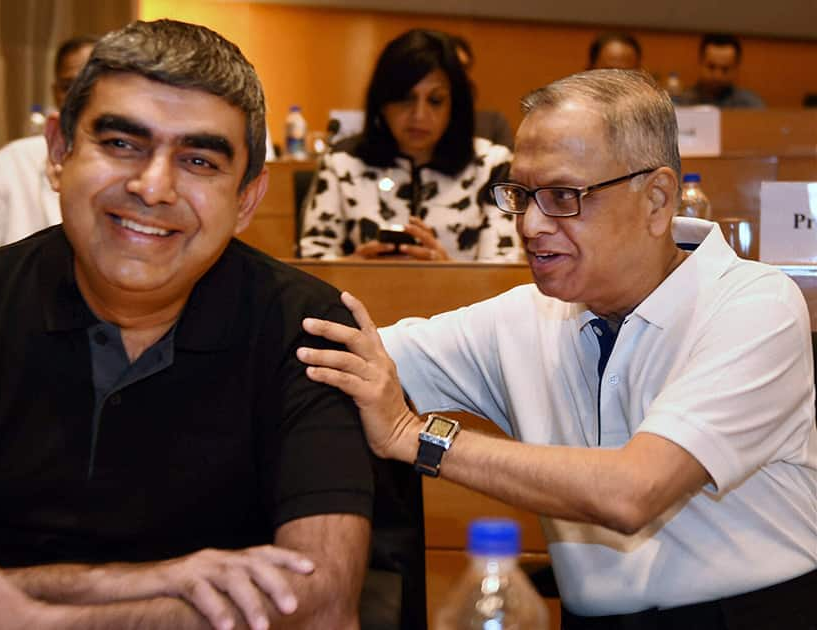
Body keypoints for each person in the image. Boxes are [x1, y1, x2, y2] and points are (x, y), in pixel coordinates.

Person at [0, 19, 375, 630]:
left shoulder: (310, 330)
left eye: (197, 160)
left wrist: (34, 622)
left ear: (246, 199)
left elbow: (321, 603)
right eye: (121, 144)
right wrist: (132, 583)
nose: (153, 186)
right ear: (59, 154)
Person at [299, 69, 816, 628]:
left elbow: (633, 491)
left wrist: (415, 437)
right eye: (520, 195)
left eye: (563, 196)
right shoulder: (524, 316)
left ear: (658, 199)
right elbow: (349, 357)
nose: (530, 223)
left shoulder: (754, 306)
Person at [298, 29, 520, 262]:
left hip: (463, 300)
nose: (419, 115)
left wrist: (447, 274)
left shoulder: (491, 165)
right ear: (382, 102)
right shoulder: (342, 162)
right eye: (405, 98)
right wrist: (352, 268)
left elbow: (501, 276)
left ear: (455, 106)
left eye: (435, 100)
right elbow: (312, 265)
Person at [0, 35, 97, 254]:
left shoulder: (136, 170)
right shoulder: (11, 161)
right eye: (68, 86)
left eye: (89, 85)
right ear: (55, 92)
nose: (78, 96)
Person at [448, 33, 515, 149]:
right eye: (452, 66)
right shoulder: (420, 123)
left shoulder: (492, 123)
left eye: (463, 67)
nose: (458, 75)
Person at [674, 33, 765, 108]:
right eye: (711, 67)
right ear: (700, 63)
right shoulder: (682, 103)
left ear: (736, 68)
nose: (717, 75)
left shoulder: (750, 105)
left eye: (725, 69)